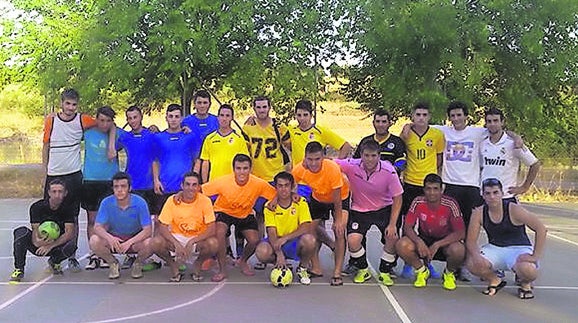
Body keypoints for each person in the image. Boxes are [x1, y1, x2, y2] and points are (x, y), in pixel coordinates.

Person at [42, 88, 115, 272]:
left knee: (72, 218)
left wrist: (112, 145)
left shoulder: (82, 120)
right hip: (54, 174)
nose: (70, 107)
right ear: (61, 103)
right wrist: (45, 172)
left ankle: (71, 255)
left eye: (74, 104)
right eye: (67, 103)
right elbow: (45, 146)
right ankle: (53, 256)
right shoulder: (51, 120)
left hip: (74, 175)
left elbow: (110, 123)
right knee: (51, 216)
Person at [335, 140, 403, 285]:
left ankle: (385, 271)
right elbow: (331, 164)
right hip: (359, 209)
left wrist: (392, 224)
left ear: (379, 156)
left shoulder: (389, 171)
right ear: (361, 155)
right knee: (353, 240)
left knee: (392, 237)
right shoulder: (352, 165)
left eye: (373, 156)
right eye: (366, 155)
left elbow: (398, 198)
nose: (370, 159)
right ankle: (363, 269)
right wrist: (306, 164)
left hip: (384, 208)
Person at [466, 178, 547, 299]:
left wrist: (534, 256)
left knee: (528, 270)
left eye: (495, 192)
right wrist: (476, 256)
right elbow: (471, 241)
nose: (492, 197)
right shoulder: (479, 212)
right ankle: (494, 280)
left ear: (502, 193)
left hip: (519, 249)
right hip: (495, 249)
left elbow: (541, 229)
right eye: (487, 193)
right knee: (471, 263)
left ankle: (525, 284)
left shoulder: (514, 209)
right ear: (483, 195)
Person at [201, 154, 276, 282]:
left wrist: (274, 201)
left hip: (245, 214)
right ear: (233, 169)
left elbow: (276, 193)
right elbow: (200, 190)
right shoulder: (223, 181)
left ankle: (243, 260)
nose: (242, 172)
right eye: (238, 168)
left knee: (254, 240)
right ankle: (223, 269)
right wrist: (181, 194)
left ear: (250, 169)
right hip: (224, 212)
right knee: (220, 233)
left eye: (245, 168)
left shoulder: (258, 183)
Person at [292, 142, 350, 286]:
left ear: (323, 157)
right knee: (309, 229)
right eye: (310, 159)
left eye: (317, 159)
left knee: (339, 230)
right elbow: (290, 182)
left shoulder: (332, 168)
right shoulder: (299, 169)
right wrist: (294, 194)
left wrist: (337, 220)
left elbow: (337, 197)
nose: (313, 163)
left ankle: (337, 272)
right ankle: (316, 268)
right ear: (305, 158)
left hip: (340, 197)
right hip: (318, 197)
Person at [395, 174, 466, 290]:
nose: (432, 193)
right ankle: (421, 271)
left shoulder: (450, 204)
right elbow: (407, 227)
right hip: (425, 240)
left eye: (435, 189)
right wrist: (418, 242)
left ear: (441, 190)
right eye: (428, 189)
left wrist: (438, 244)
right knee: (401, 244)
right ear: (424, 190)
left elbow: (460, 232)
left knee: (459, 250)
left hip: (445, 243)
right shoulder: (418, 201)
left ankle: (449, 274)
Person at [399, 102, 445, 278]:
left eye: (425, 115)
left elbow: (439, 158)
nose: (421, 118)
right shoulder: (406, 134)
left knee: (429, 226)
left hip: (429, 187)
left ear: (429, 117)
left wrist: (431, 175)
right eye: (418, 115)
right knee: (408, 225)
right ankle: (408, 263)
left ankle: (428, 263)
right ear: (412, 116)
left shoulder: (437, 135)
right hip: (410, 183)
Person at [243, 96, 288, 269]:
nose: (262, 110)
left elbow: (291, 147)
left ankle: (277, 251)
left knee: (275, 215)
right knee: (260, 217)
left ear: (270, 107)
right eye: (258, 107)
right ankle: (263, 252)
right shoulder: (248, 128)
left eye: (264, 107)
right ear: (253, 109)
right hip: (256, 179)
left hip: (275, 178)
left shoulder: (278, 127)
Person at [151, 172, 219, 282]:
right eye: (187, 184)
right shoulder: (171, 200)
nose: (191, 188)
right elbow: (162, 226)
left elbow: (211, 228)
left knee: (214, 243)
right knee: (155, 242)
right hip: (177, 236)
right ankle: (173, 266)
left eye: (194, 185)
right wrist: (175, 243)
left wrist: (192, 241)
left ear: (198, 187)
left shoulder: (205, 201)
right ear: (182, 186)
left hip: (197, 239)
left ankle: (198, 264)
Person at [255, 171, 317, 285]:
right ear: (276, 187)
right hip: (276, 241)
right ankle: (280, 264)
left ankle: (302, 268)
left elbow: (306, 227)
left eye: (286, 185)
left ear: (292, 187)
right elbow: (271, 232)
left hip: (294, 240)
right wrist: (279, 254)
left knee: (310, 240)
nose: (283, 189)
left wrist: (286, 238)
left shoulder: (300, 202)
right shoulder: (269, 206)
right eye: (280, 186)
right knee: (261, 252)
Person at [89, 172, 153, 279]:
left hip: (134, 239)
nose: (119, 190)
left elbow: (148, 230)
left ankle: (138, 263)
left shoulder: (140, 203)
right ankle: (113, 263)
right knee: (94, 241)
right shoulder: (106, 202)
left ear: (130, 188)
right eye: (116, 187)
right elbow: (97, 227)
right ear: (112, 189)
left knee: (150, 243)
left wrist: (130, 242)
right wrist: (110, 238)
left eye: (123, 186)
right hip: (115, 238)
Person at [10, 179, 77, 282]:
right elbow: (35, 231)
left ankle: (55, 262)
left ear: (65, 193)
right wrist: (38, 242)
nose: (57, 195)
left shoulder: (68, 209)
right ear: (49, 193)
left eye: (60, 192)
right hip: (38, 244)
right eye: (54, 191)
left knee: (71, 245)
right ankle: (19, 269)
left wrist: (50, 246)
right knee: (20, 232)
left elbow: (69, 233)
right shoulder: (37, 207)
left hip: (56, 245)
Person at [82, 106, 120, 270]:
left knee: (107, 220)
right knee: (92, 220)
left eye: (108, 121)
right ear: (96, 119)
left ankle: (105, 252)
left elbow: (139, 133)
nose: (104, 124)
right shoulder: (87, 133)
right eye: (101, 120)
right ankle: (93, 254)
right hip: (91, 181)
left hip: (109, 181)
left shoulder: (117, 134)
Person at [481, 107, 541, 202]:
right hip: (485, 197)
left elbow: (535, 164)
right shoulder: (482, 142)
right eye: (489, 121)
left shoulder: (513, 143)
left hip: (506, 197)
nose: (492, 124)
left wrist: (524, 187)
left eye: (496, 121)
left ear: (502, 122)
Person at [152, 104, 202, 213]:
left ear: (181, 118)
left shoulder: (190, 137)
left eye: (176, 116)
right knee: (162, 222)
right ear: (166, 118)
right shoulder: (158, 138)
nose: (173, 120)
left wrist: (193, 181)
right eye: (170, 116)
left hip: (185, 188)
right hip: (164, 186)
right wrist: (156, 180)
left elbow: (197, 160)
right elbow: (155, 161)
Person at [283, 99, 352, 167]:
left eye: (305, 115)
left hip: (317, 173)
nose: (302, 118)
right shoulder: (291, 130)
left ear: (311, 115)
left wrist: (337, 165)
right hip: (298, 174)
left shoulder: (320, 131)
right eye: (299, 115)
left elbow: (345, 146)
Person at [198, 104, 250, 183]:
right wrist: (205, 184)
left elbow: (244, 163)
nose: (224, 119)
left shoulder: (239, 139)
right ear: (218, 117)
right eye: (222, 115)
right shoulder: (209, 138)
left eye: (227, 116)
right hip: (214, 182)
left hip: (233, 184)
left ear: (232, 118)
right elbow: (205, 163)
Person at [182, 90, 219, 175]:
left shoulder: (216, 120)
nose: (202, 106)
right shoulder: (186, 121)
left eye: (205, 102)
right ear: (194, 104)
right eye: (199, 102)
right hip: (192, 163)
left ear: (209, 104)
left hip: (211, 162)